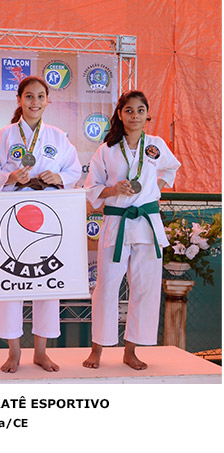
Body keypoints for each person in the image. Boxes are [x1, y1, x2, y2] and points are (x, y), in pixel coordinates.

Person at [0, 76, 82, 373]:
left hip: (48, 215)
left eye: (40, 96)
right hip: (12, 213)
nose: (34, 102)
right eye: (29, 96)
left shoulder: (58, 137)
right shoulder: (4, 136)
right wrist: (10, 177)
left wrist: (58, 177)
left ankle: (41, 352)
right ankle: (13, 351)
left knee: (46, 282)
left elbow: (74, 169)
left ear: (48, 100)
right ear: (19, 100)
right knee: (12, 282)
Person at [82, 90, 180, 370]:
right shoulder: (107, 149)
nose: (135, 115)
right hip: (117, 223)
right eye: (129, 110)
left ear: (146, 114)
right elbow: (92, 188)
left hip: (147, 224)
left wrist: (153, 189)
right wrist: (113, 190)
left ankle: (131, 350)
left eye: (140, 110)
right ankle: (97, 348)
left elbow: (171, 168)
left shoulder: (156, 145)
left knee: (145, 288)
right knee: (106, 287)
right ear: (120, 114)